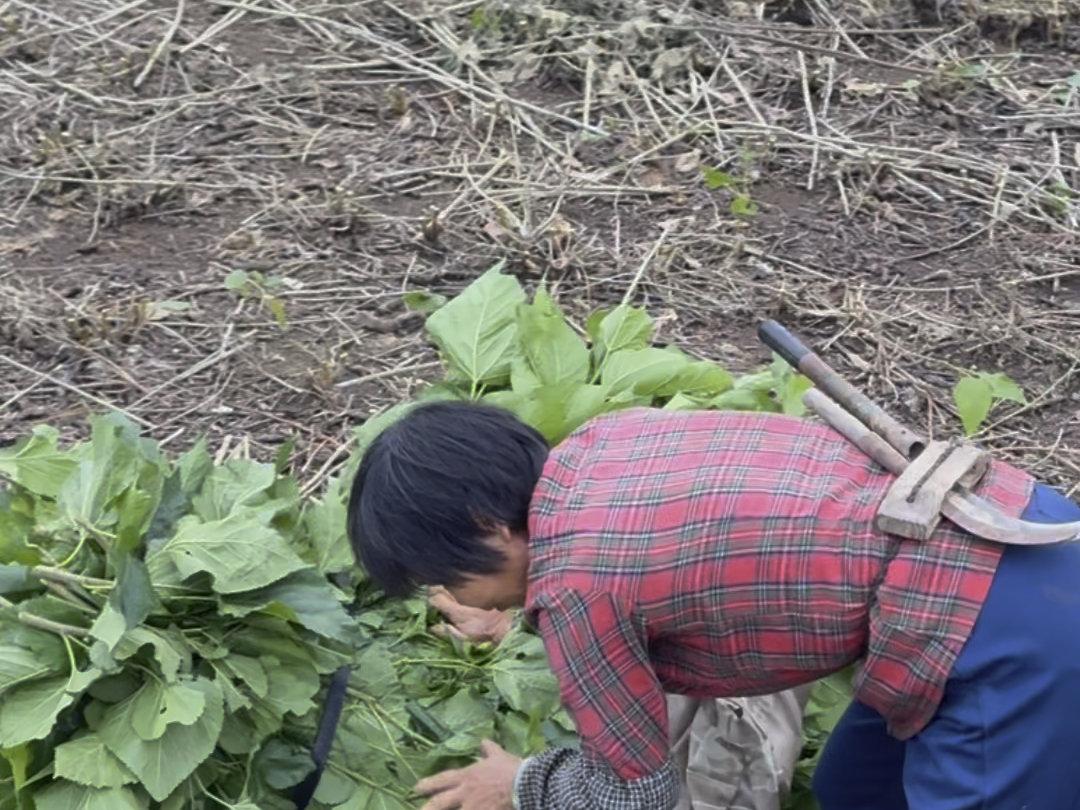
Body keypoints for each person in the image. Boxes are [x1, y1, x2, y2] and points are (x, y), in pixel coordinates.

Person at [347, 401, 1080, 810]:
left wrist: (521, 785)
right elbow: (660, 563)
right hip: (1015, 519)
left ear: (487, 528)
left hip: (997, 641)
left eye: (446, 578)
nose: (450, 598)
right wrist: (517, 613)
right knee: (853, 788)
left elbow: (633, 794)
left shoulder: (577, 590)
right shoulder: (598, 447)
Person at [428, 586, 813, 810]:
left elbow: (640, 791)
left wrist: (521, 783)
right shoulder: (586, 514)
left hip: (744, 703)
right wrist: (516, 626)